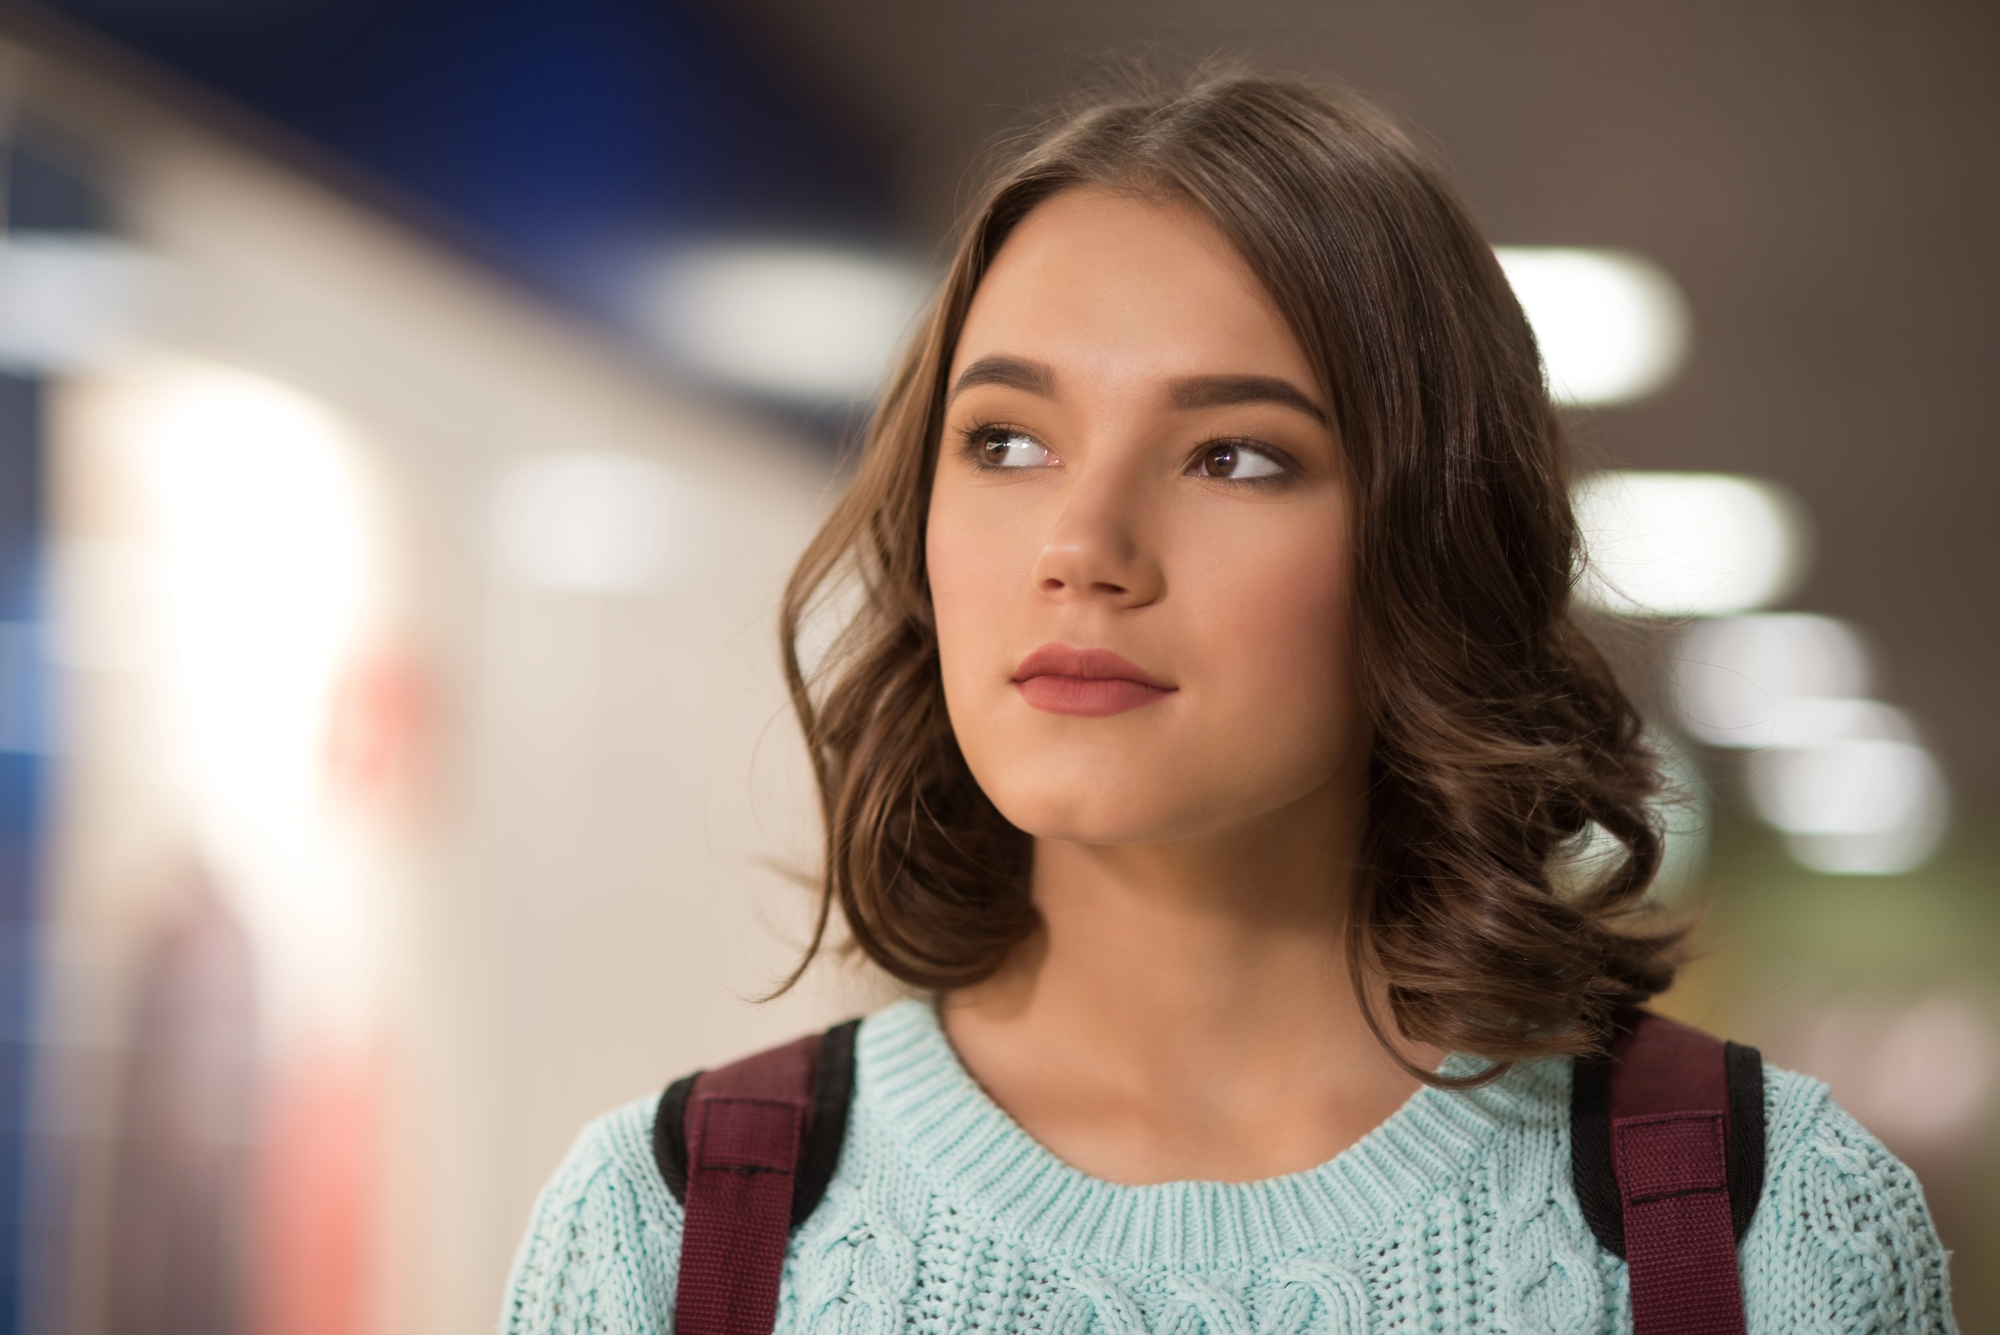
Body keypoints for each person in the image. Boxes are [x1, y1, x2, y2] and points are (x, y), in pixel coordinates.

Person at [500, 70, 1956, 1333]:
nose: (1083, 548)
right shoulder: (672, 1239)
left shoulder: (1766, 1234)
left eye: (1235, 458)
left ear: (1429, 546)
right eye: (1006, 442)